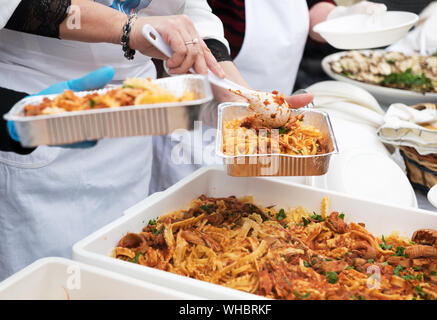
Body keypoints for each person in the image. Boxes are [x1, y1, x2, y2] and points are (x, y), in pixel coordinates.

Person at [0, 0, 255, 280]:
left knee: (120, 267)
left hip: (134, 114)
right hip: (37, 104)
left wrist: (233, 88)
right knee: (47, 281)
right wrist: (129, 28)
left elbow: (185, 8)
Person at [150, 0, 387, 193]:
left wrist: (339, 17)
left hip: (272, 132)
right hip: (202, 130)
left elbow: (310, 8)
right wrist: (240, 102)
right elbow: (193, 29)